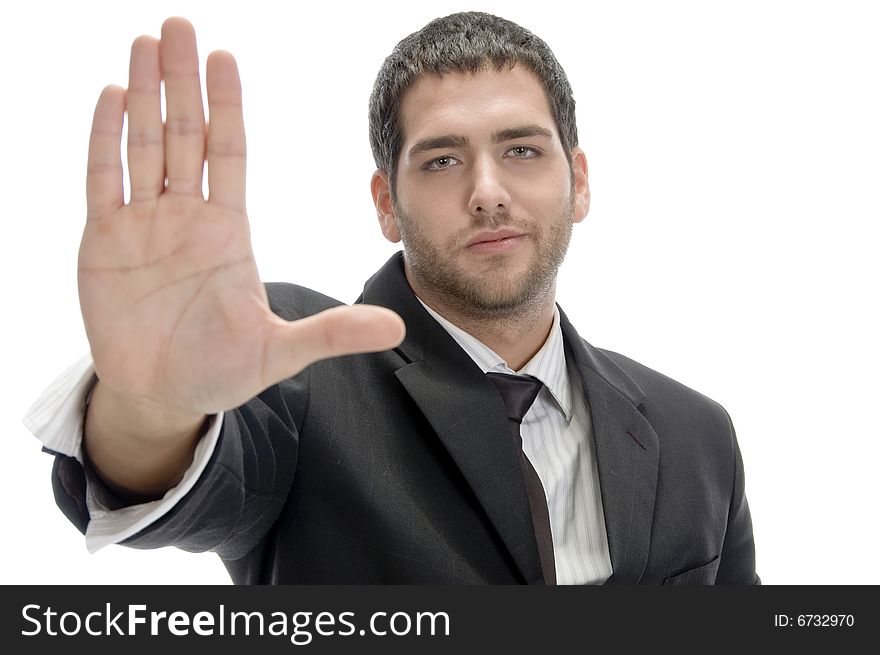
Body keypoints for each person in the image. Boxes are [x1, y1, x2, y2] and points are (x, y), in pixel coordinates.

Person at [26, 12, 758, 584]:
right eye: (442, 159)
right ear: (386, 203)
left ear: (581, 181)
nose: (488, 192)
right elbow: (180, 484)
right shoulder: (291, 359)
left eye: (523, 150)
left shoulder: (696, 434)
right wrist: (155, 405)